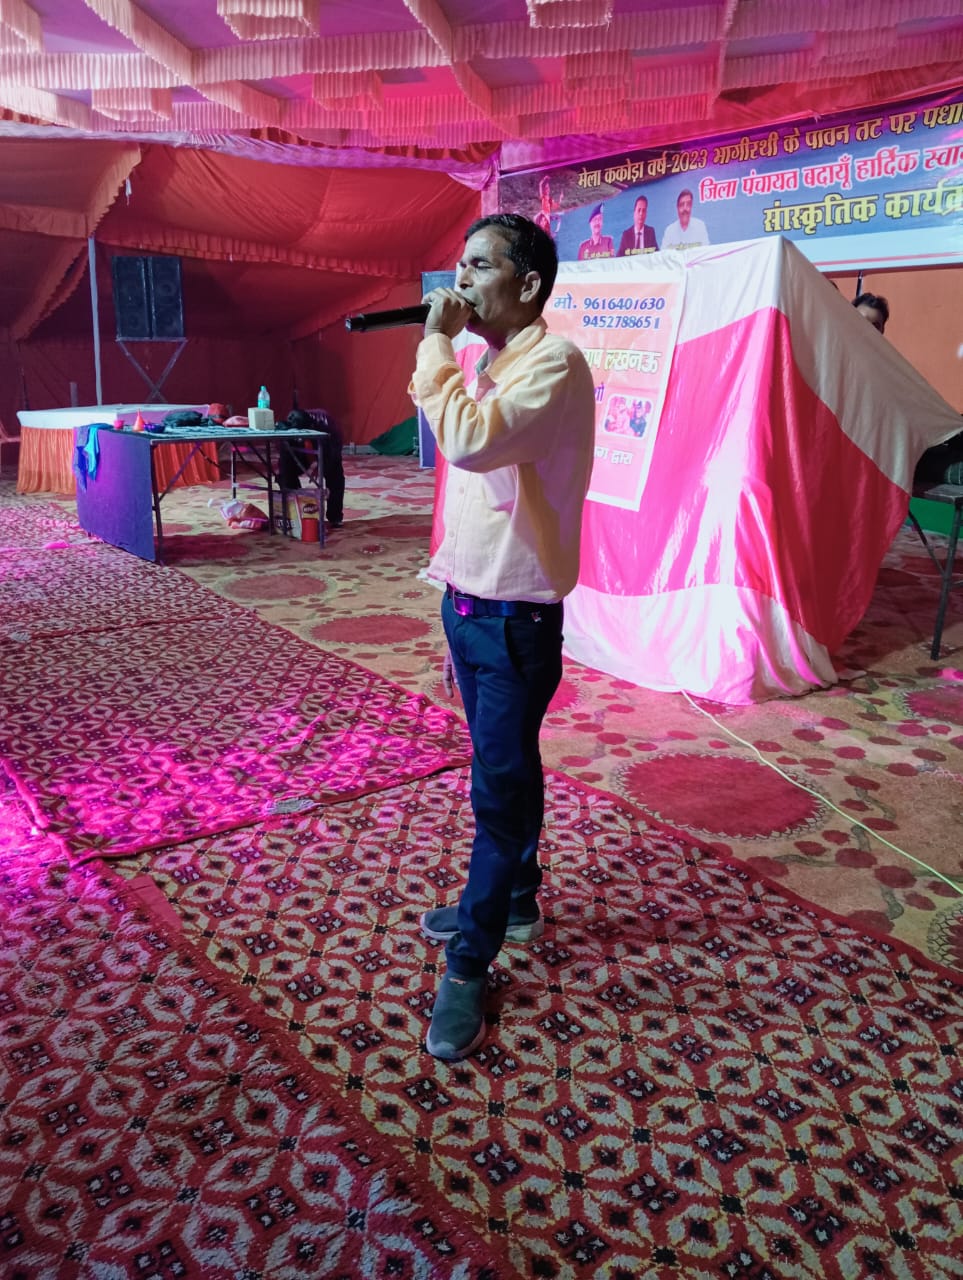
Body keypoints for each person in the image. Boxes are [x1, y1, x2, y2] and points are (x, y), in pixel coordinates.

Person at [410, 213, 597, 1061]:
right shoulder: (492, 363)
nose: (459, 282)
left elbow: (467, 442)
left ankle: (468, 961)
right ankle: (516, 895)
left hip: (514, 619)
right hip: (470, 604)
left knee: (498, 789)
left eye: (478, 266)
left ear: (527, 285)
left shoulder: (553, 364)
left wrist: (433, 346)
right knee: (507, 766)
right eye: (458, 264)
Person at [277, 407, 345, 527]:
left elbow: (335, 449)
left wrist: (321, 465)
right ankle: (295, 510)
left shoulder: (326, 423)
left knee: (335, 477)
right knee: (284, 471)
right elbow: (283, 453)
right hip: (303, 452)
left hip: (327, 450)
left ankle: (335, 516)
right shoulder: (290, 426)